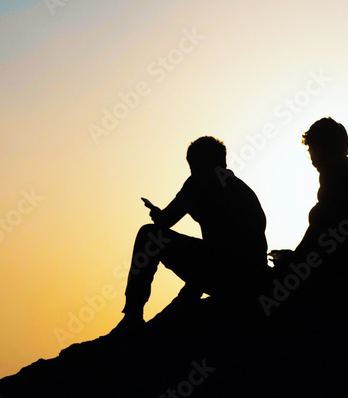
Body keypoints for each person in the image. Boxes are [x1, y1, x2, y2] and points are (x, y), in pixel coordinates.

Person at [115, 136, 268, 331]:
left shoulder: (199, 182)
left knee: (149, 235)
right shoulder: (241, 188)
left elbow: (165, 222)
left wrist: (157, 214)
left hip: (228, 275)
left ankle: (132, 315)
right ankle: (186, 299)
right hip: (252, 276)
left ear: (197, 164)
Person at [270, 117, 348, 271]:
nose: (312, 161)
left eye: (310, 151)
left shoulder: (335, 176)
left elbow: (322, 229)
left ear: (321, 149)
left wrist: (293, 259)